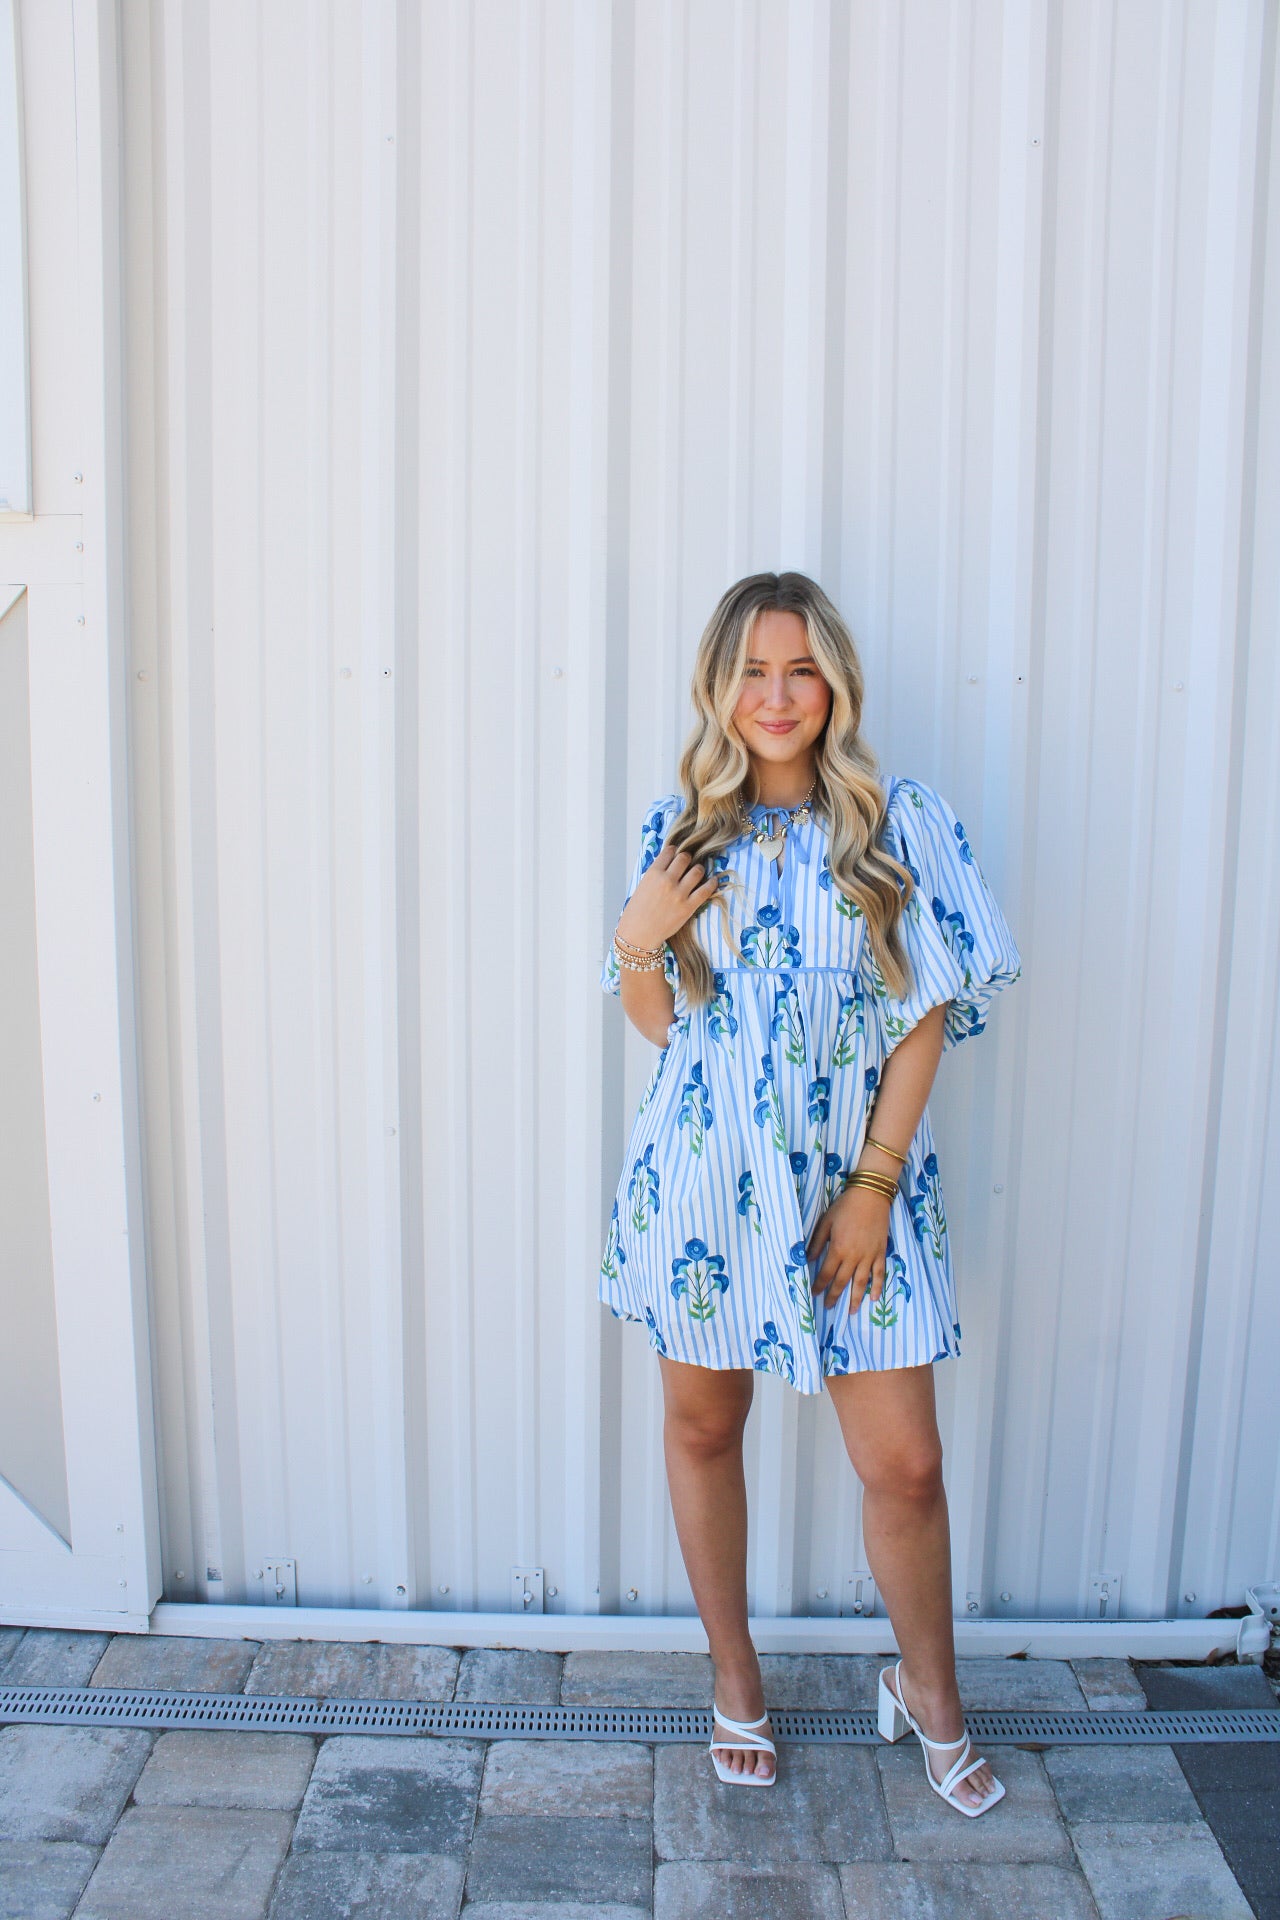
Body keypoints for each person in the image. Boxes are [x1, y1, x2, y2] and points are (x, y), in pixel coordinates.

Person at [599, 571, 1023, 1815]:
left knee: (903, 1466)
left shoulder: (899, 821)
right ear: (716, 689)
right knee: (702, 1430)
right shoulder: (679, 833)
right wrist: (636, 934)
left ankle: (927, 1692)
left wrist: (873, 1188)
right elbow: (662, 1028)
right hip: (706, 1189)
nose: (774, 696)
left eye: (797, 669)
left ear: (832, 680)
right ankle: (735, 1680)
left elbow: (926, 1011)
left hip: (858, 1191)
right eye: (749, 671)